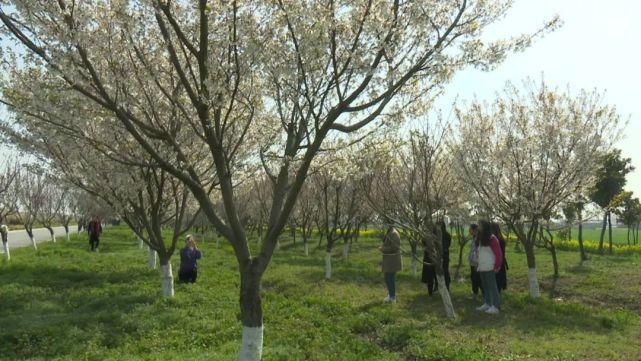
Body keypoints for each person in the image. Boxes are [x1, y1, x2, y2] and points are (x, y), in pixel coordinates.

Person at [475, 220, 503, 315]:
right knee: (485, 286)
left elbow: (498, 254)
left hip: (490, 266)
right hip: (482, 266)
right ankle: (487, 303)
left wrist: (497, 265)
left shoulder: (492, 238)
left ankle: (496, 306)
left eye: (480, 225)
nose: (479, 227)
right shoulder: (480, 238)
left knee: (492, 286)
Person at [380, 226, 402, 303]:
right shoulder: (390, 232)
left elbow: (394, 248)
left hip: (393, 260)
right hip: (389, 259)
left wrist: (382, 249)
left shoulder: (394, 233)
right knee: (388, 278)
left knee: (390, 278)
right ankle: (391, 295)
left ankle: (392, 297)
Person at [491, 222, 509, 293]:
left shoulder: (496, 240)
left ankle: (496, 299)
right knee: (498, 281)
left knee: (497, 280)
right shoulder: (500, 238)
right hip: (500, 262)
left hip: (497, 262)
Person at [467, 224, 483, 298]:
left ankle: (483, 293)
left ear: (474, 230)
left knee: (477, 278)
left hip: (477, 262)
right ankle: (475, 293)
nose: (469, 231)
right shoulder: (474, 238)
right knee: (473, 277)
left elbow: (478, 251)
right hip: (473, 262)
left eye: (470, 229)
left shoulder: (479, 239)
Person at [440, 221, 452, 291]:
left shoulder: (438, 235)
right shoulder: (448, 235)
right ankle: (447, 286)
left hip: (441, 254)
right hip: (446, 254)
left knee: (442, 271)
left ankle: (444, 285)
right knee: (445, 270)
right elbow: (448, 245)